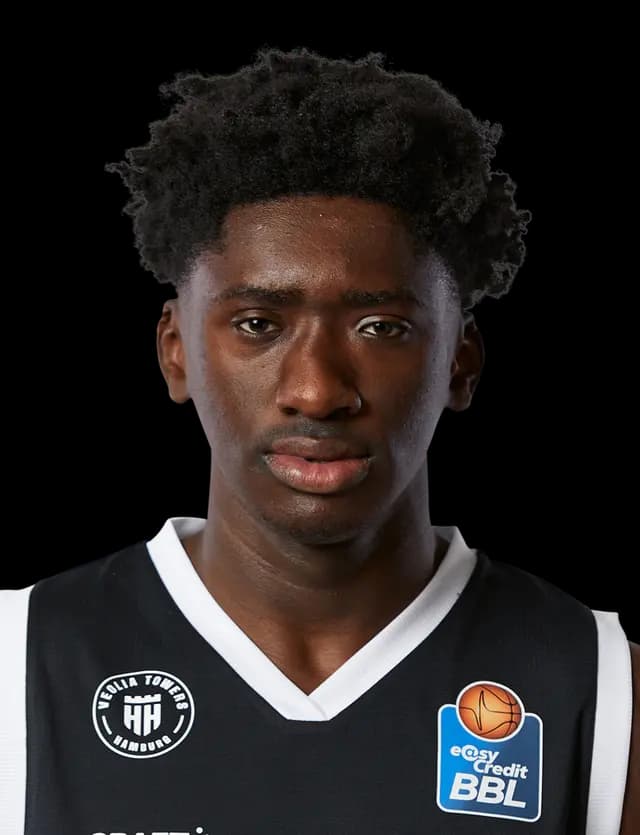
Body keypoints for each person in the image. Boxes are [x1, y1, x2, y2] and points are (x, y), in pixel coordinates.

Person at [0, 46, 636, 834]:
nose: (317, 389)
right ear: (175, 351)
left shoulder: (599, 683)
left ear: (461, 362)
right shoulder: (21, 659)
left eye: (381, 326)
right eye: (257, 323)